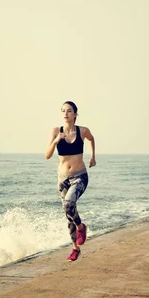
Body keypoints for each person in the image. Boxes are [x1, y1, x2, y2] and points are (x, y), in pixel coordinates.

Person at [45, 101, 96, 261]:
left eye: (69, 111)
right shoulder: (55, 131)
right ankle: (75, 248)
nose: (66, 113)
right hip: (62, 179)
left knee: (69, 204)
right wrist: (55, 141)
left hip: (80, 176)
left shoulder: (82, 131)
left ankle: (81, 227)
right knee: (68, 214)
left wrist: (93, 156)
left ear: (75, 114)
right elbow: (47, 155)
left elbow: (91, 138)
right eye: (63, 111)